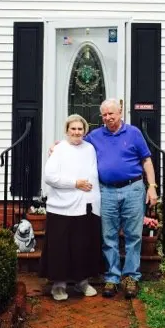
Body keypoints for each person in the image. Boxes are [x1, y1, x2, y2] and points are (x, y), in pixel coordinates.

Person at [86, 99, 157, 299]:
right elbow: (77, 144)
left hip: (133, 189)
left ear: (120, 112)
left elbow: (146, 161)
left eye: (111, 114)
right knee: (109, 236)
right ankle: (112, 277)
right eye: (105, 115)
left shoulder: (134, 133)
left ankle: (131, 277)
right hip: (106, 191)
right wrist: (58, 146)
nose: (108, 118)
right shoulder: (95, 136)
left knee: (133, 236)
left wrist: (152, 187)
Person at [39, 114, 102, 301]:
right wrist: (74, 183)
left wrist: (91, 198)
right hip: (61, 207)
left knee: (81, 246)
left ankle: (82, 282)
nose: (76, 132)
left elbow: (92, 174)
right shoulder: (59, 149)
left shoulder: (89, 148)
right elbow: (50, 177)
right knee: (60, 248)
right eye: (73, 128)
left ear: (85, 131)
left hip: (84, 206)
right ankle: (58, 286)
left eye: (80, 129)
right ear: (67, 130)